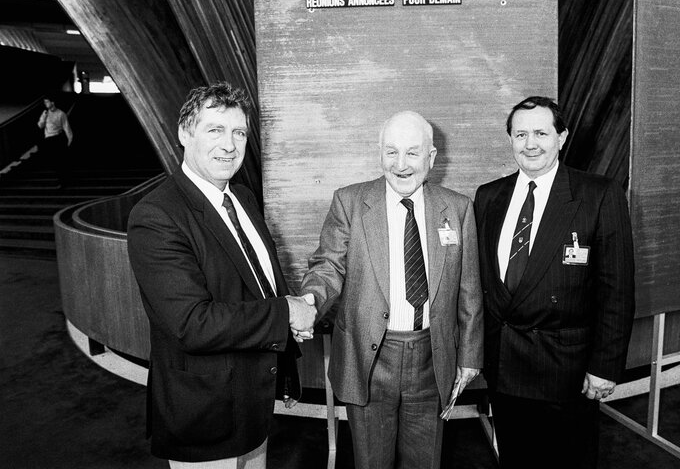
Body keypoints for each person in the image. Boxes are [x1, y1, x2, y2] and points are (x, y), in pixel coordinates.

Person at [127, 82, 317, 468]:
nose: (229, 145)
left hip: (253, 407)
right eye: (215, 130)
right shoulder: (156, 216)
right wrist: (286, 314)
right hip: (204, 418)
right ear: (184, 133)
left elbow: (260, 286)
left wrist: (288, 324)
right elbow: (192, 324)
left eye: (239, 132)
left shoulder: (242, 198)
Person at [301, 111, 484, 469]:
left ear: (431, 158)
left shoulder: (459, 208)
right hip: (368, 358)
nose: (400, 165)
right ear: (379, 154)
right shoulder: (349, 202)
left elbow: (470, 290)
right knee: (371, 462)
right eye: (391, 152)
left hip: (432, 359)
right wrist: (309, 302)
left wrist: (470, 355)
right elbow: (328, 266)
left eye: (412, 153)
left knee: (425, 461)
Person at [474, 96, 635, 468]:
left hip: (567, 373)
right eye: (521, 134)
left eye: (541, 133)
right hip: (505, 369)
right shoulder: (488, 197)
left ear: (561, 137)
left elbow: (617, 292)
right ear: (511, 140)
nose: (530, 144)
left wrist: (605, 366)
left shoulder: (598, 194)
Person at [37, 95, 73, 186]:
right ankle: (61, 179)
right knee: (53, 161)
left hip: (57, 138)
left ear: (52, 102)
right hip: (48, 139)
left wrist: (69, 140)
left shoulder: (61, 114)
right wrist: (44, 117)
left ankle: (64, 181)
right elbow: (40, 126)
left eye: (47, 102)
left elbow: (67, 128)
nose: (45, 104)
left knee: (59, 161)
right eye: (45, 102)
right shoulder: (45, 113)